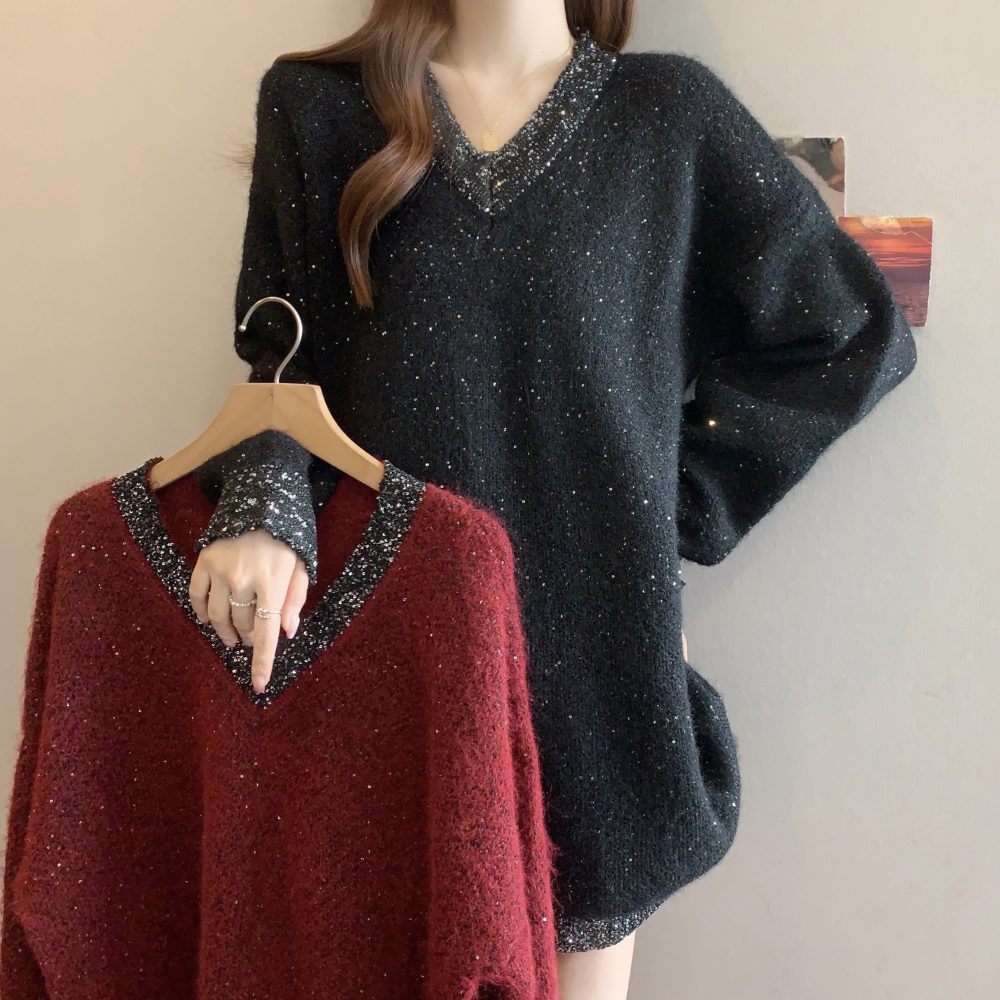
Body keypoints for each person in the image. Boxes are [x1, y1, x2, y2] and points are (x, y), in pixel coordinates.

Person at [187, 1, 919, 996]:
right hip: (389, 671)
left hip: (595, 685)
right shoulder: (318, 110)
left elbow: (846, 334)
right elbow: (282, 367)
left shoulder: (669, 118)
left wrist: (661, 517)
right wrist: (264, 504)